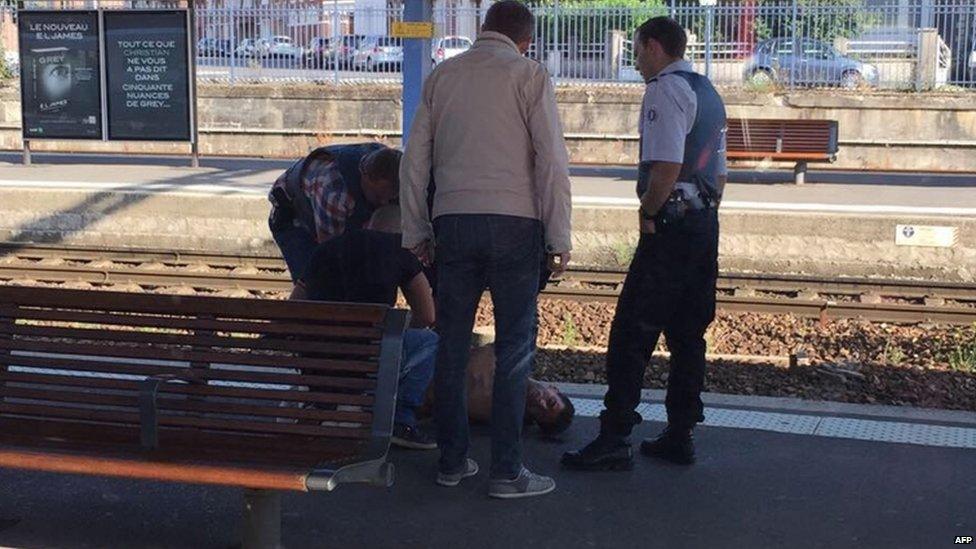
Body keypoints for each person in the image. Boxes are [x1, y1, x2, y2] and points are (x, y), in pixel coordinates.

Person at [400, 0, 572, 498]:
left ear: (483, 30)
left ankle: (452, 462)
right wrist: (558, 234)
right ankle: (507, 472)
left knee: (452, 346)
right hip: (517, 224)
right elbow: (552, 162)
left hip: (453, 222)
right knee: (515, 348)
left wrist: (415, 231)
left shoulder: (442, 77)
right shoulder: (530, 75)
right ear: (524, 40)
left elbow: (414, 163)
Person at [562, 16, 727, 471]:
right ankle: (680, 433)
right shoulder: (707, 91)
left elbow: (666, 166)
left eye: (636, 51)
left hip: (670, 229)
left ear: (654, 47)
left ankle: (615, 436)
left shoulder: (664, 90)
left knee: (632, 332)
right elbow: (721, 173)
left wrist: (649, 213)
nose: (635, 61)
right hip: (704, 226)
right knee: (688, 334)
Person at [291, 205, 439, 450]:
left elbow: (294, 307)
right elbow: (427, 315)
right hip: (366, 363)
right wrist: (395, 330)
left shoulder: (326, 249)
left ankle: (323, 405)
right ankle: (401, 420)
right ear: (401, 231)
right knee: (429, 342)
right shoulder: (400, 250)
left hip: (319, 365)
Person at [269, 143, 402, 281]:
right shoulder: (335, 193)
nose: (384, 203)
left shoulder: (389, 165)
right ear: (365, 177)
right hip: (295, 216)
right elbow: (331, 251)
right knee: (318, 281)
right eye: (378, 197)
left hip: (331, 208)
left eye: (391, 198)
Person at [418, 344, 575, 437]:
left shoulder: (494, 408)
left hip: (420, 378)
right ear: (553, 388)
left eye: (539, 413)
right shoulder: (515, 357)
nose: (540, 403)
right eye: (550, 401)